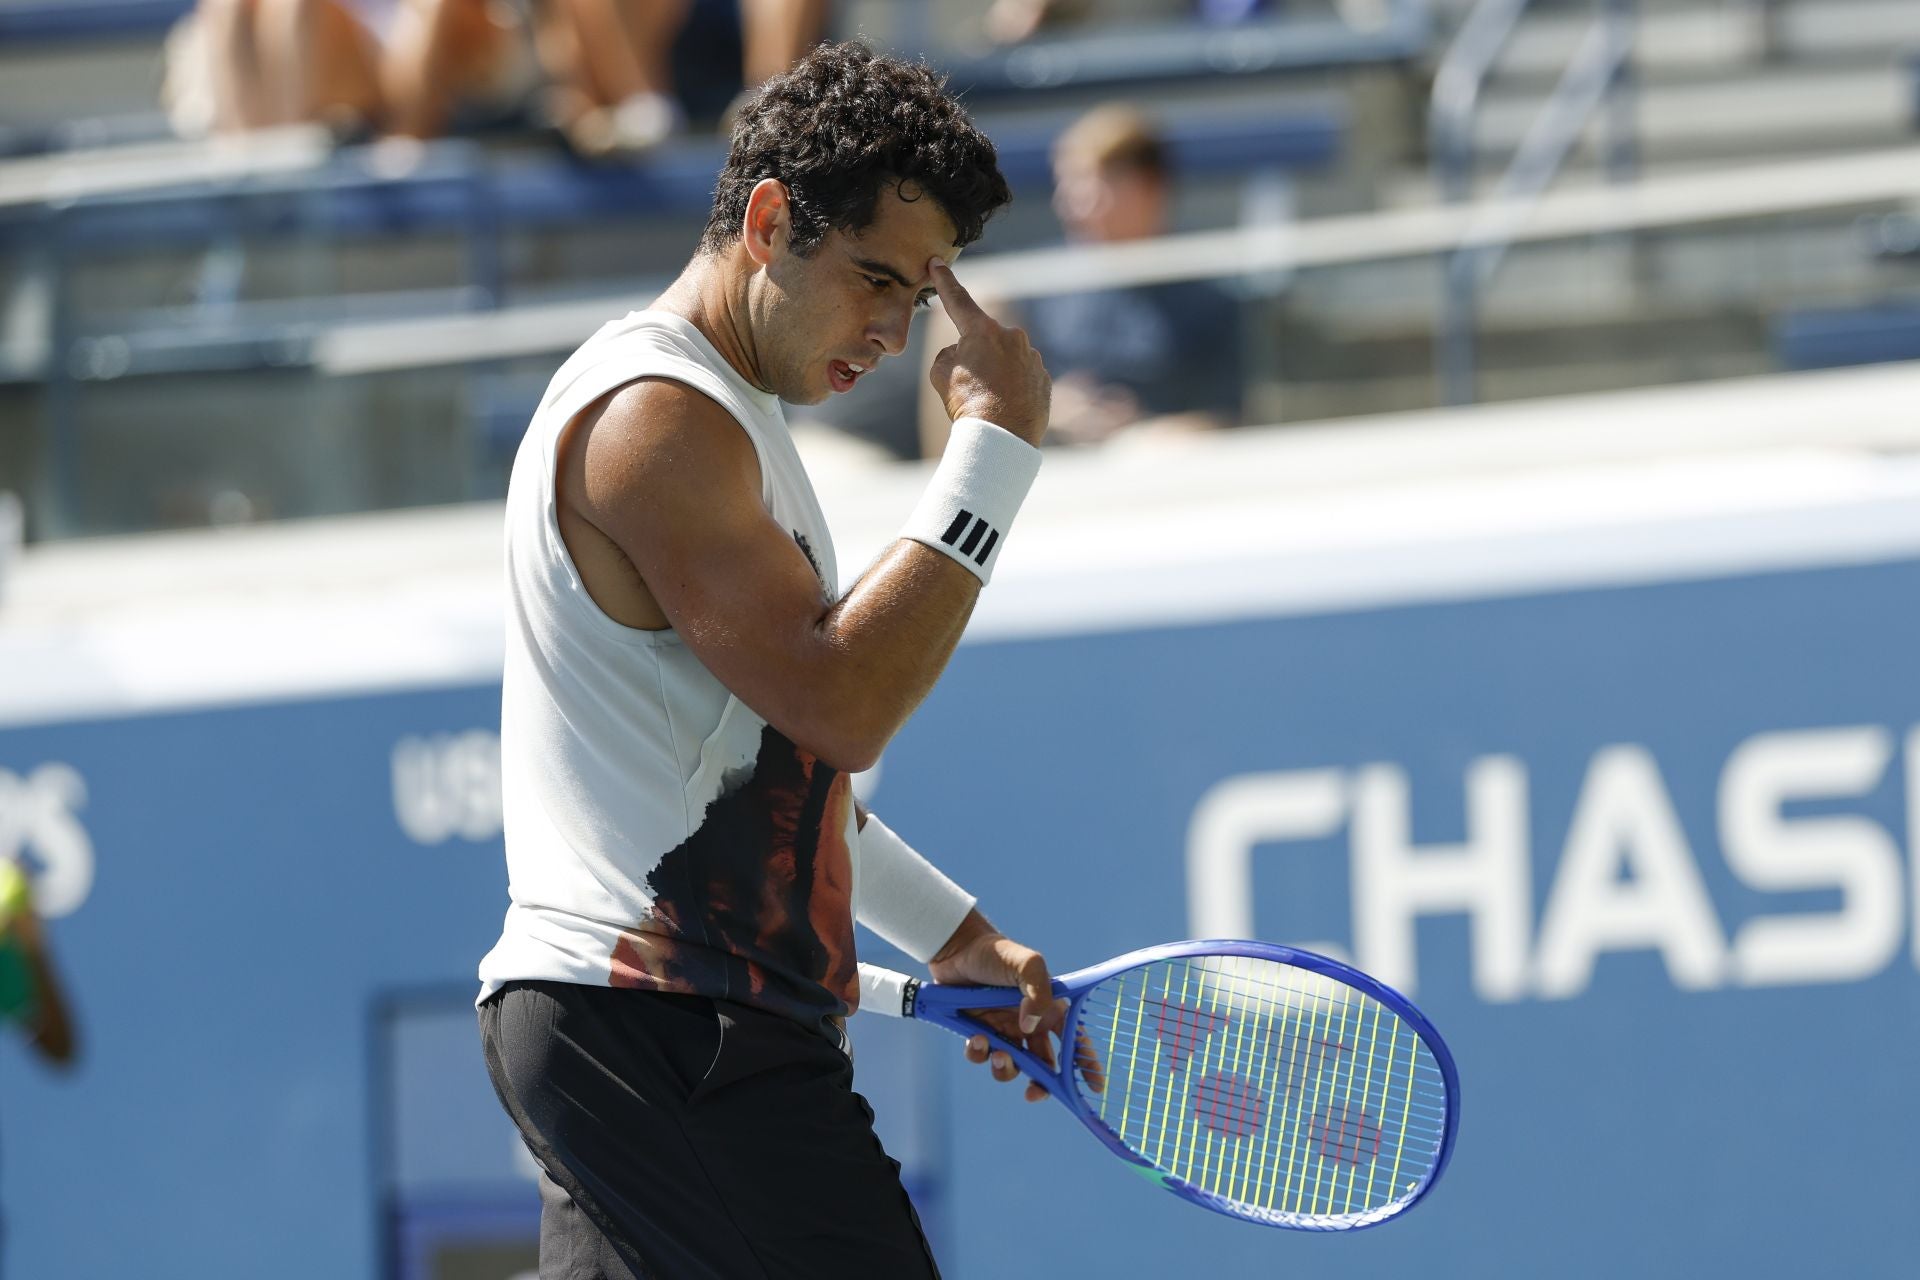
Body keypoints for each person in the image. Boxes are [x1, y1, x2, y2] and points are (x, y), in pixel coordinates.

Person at [476, 41, 1069, 1278]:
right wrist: (996, 453)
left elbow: (759, 776)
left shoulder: (731, 424)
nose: (897, 334)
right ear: (765, 221)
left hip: (642, 1034)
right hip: (667, 1034)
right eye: (874, 279)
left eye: (919, 295)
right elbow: (843, 704)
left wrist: (955, 934)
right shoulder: (658, 417)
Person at [923, 102, 1245, 453]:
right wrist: (1052, 407)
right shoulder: (1038, 284)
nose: (1072, 204)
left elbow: (1227, 418)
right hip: (1043, 461)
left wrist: (1144, 436)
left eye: (1092, 186)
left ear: (1149, 189)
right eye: (1068, 186)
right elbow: (1005, 379)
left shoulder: (1209, 296)